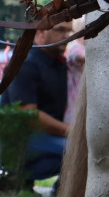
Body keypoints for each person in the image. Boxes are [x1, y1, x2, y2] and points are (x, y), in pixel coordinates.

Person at [0, 21, 74, 186]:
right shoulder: (25, 64)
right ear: (40, 32)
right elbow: (29, 116)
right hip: (16, 141)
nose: (66, 36)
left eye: (69, 31)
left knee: (82, 148)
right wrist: (71, 131)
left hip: (43, 136)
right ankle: (16, 175)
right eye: (60, 30)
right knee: (78, 150)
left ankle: (21, 180)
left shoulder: (58, 65)